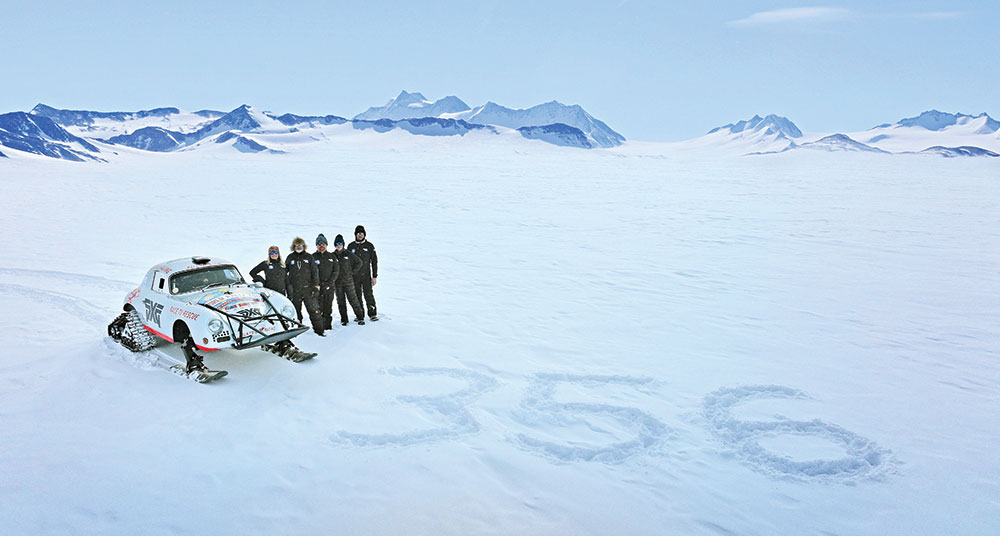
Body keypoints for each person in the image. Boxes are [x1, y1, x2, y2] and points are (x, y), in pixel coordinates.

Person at [285, 236, 325, 336]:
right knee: (296, 311)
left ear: (304, 246)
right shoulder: (290, 257)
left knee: (314, 311)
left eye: (301, 245)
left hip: (308, 289)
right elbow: (285, 272)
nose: (299, 247)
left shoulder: (309, 257)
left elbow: (315, 272)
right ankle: (297, 331)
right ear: (294, 246)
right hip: (295, 290)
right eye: (297, 245)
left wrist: (316, 286)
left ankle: (319, 331)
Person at [332, 234, 365, 326]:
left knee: (353, 300)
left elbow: (359, 262)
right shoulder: (332, 255)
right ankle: (344, 319)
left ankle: (360, 317)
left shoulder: (348, 254)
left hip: (349, 282)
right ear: (335, 245)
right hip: (337, 283)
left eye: (340, 243)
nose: (339, 245)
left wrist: (352, 272)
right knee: (341, 302)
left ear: (343, 244)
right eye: (337, 244)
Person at [349, 224, 378, 321]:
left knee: (368, 295)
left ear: (364, 234)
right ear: (355, 235)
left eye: (362, 233)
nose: (360, 235)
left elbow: (374, 261)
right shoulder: (351, 246)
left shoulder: (369, 246)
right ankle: (360, 315)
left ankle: (372, 314)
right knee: (357, 296)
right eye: (358, 233)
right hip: (354, 277)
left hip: (366, 276)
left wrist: (374, 276)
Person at [312, 233, 339, 330]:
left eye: (323, 244)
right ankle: (319, 327)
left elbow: (336, 271)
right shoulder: (312, 257)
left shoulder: (332, 257)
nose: (321, 246)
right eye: (319, 244)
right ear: (316, 246)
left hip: (329, 286)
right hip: (317, 287)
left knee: (328, 307)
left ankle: (327, 326)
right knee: (318, 308)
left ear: (326, 245)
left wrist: (330, 282)